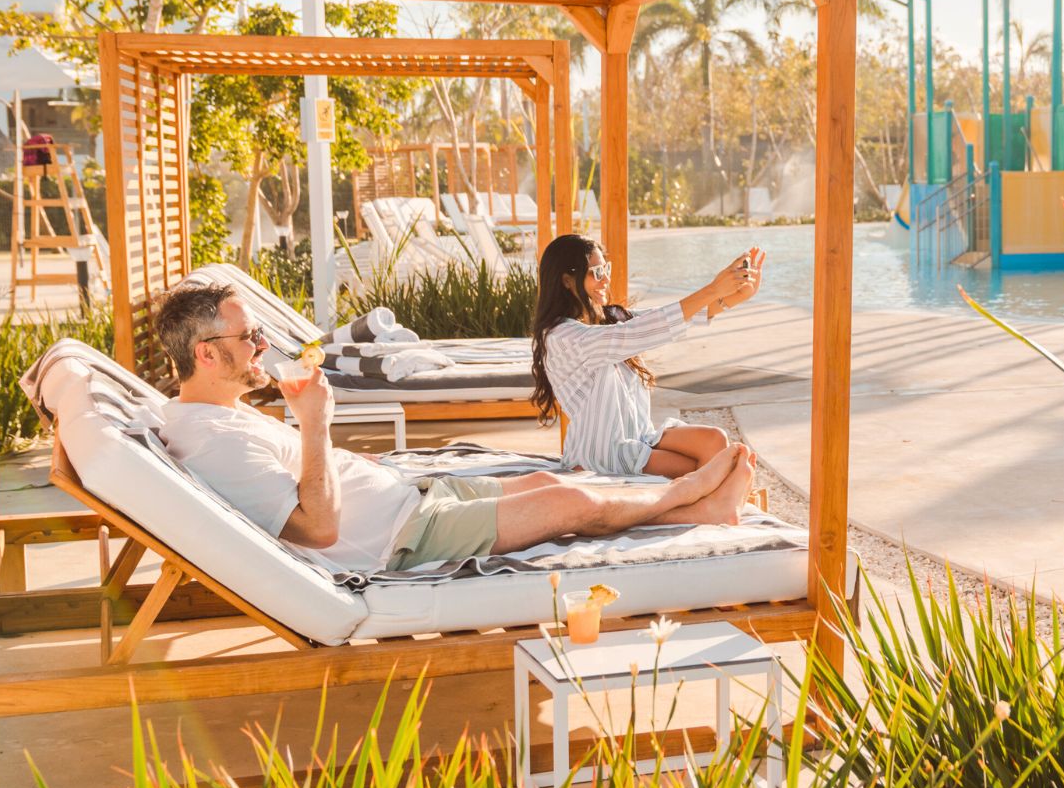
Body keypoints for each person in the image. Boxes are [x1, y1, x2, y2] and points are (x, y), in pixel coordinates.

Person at [152, 282, 756, 574]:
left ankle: (701, 513)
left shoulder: (214, 417)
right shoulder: (212, 441)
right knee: (568, 501)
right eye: (248, 337)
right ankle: (687, 498)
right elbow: (319, 528)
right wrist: (315, 424)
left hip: (410, 500)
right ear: (206, 354)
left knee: (551, 485)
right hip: (401, 536)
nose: (263, 345)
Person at [532, 234, 764, 477]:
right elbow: (641, 331)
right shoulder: (563, 337)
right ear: (567, 281)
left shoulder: (609, 319)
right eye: (596, 272)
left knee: (714, 440)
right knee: (707, 468)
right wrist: (714, 289)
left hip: (640, 437)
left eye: (606, 269)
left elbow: (667, 317)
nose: (606, 279)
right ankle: (713, 507)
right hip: (603, 452)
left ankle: (715, 501)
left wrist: (736, 296)